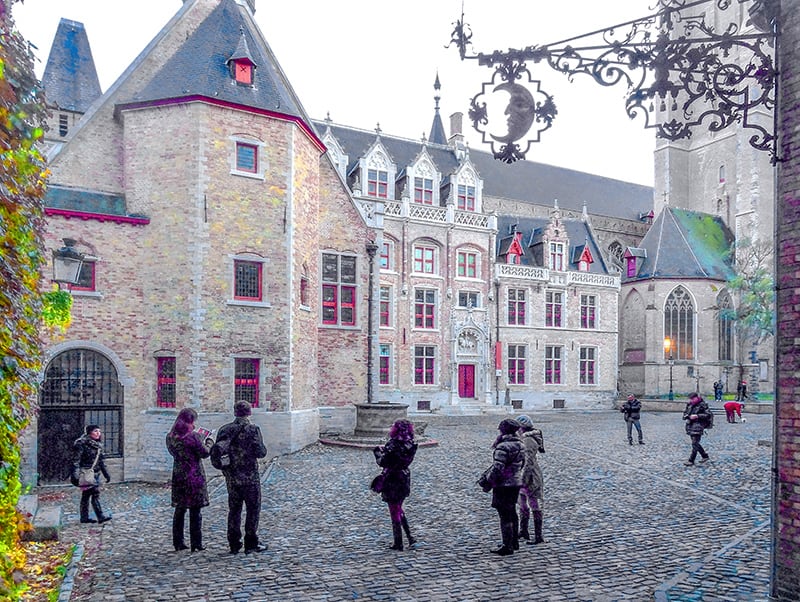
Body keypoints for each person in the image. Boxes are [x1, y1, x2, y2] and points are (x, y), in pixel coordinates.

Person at [213, 401, 268, 554]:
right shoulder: (252, 430)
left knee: (234, 510)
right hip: (250, 476)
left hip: (232, 476)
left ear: (235, 412)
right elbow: (261, 452)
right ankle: (251, 542)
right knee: (253, 509)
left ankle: (234, 543)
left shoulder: (225, 430)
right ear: (249, 413)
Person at [166, 408, 213, 552]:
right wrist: (209, 441)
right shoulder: (193, 437)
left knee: (179, 510)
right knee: (195, 510)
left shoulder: (170, 437)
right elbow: (204, 453)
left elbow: (174, 452)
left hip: (179, 474)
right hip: (193, 474)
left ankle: (178, 542)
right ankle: (196, 543)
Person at [478, 418, 525, 556]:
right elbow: (523, 463)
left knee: (504, 515)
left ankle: (507, 546)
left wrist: (488, 481)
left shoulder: (503, 446)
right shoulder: (520, 444)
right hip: (516, 482)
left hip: (504, 484)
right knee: (512, 512)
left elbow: (498, 468)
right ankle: (514, 542)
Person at [372, 419, 418, 551]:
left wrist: (377, 453)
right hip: (404, 476)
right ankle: (410, 538)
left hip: (392, 478)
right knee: (398, 507)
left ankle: (398, 543)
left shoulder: (393, 445)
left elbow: (383, 462)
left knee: (394, 509)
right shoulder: (411, 444)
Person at [71, 425, 112, 524]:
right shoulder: (82, 444)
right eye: (95, 431)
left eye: (99, 431)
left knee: (87, 495)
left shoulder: (98, 445)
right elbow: (76, 460)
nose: (98, 433)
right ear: (90, 433)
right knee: (94, 493)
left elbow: (101, 461)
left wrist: (106, 474)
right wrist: (75, 474)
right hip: (86, 473)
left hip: (95, 473)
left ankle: (84, 517)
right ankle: (100, 516)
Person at [515, 415, 545, 545]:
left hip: (530, 476)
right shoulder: (523, 438)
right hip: (522, 473)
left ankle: (538, 536)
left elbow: (528, 462)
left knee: (533, 503)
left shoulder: (528, 440)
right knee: (522, 503)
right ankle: (524, 531)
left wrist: (523, 479)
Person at [682, 392, 712, 466]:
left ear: (697, 397)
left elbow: (708, 415)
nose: (691, 400)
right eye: (690, 399)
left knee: (694, 443)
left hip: (699, 425)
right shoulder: (689, 405)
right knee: (695, 443)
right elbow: (685, 414)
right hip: (690, 425)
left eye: (693, 399)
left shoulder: (703, 405)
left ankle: (691, 460)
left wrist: (697, 416)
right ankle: (704, 456)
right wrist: (687, 416)